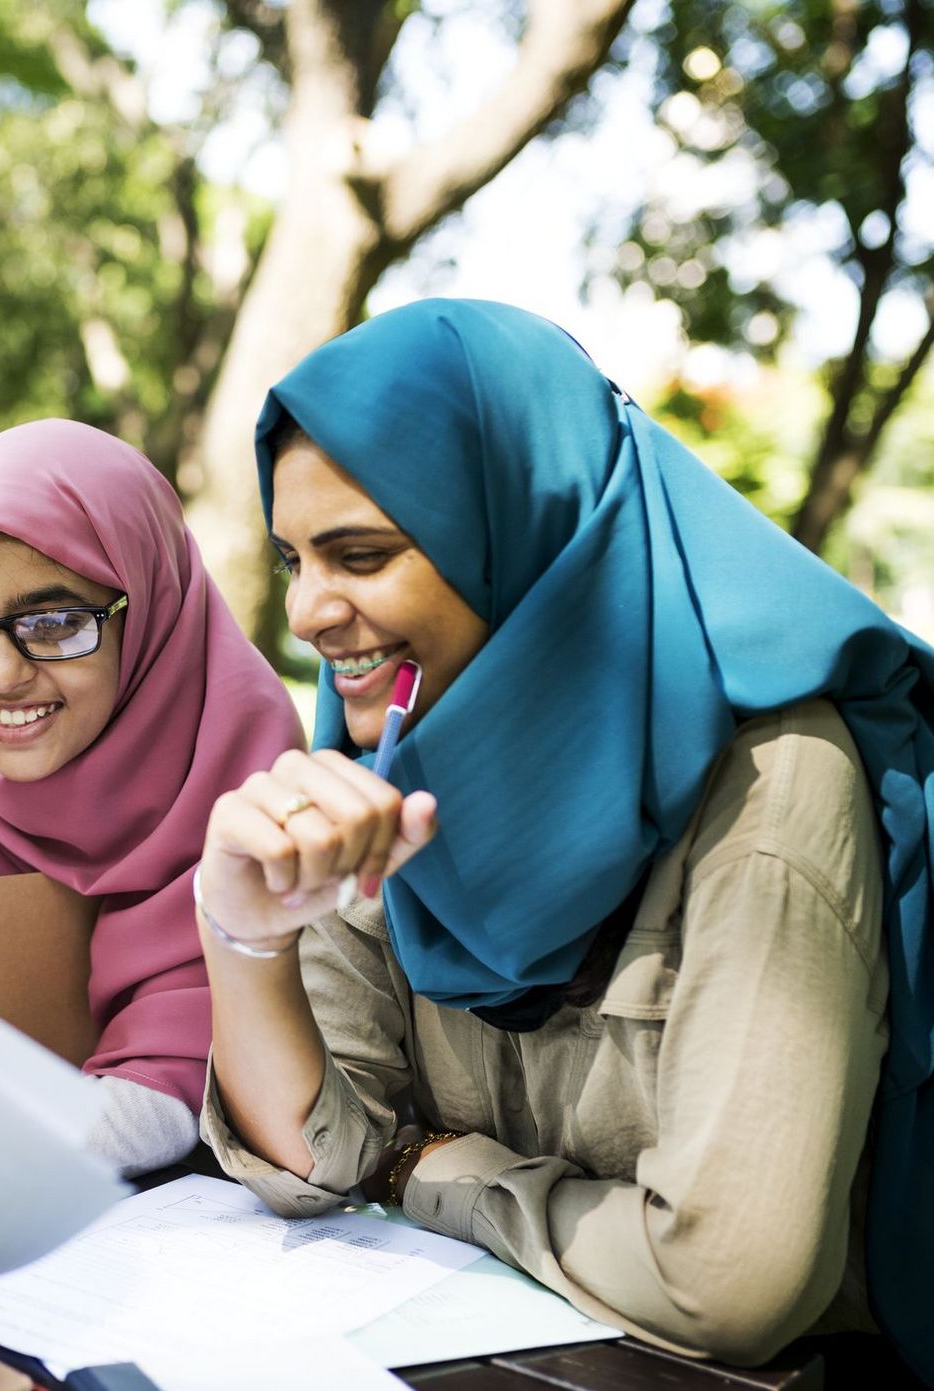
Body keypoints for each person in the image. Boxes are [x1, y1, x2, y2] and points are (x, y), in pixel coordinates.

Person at [195, 298, 933, 1381]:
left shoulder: (771, 783)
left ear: (524, 532)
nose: (306, 609)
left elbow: (726, 1282)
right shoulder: (382, 765)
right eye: (294, 557)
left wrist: (433, 1174)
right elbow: (319, 1157)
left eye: (359, 554)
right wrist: (241, 937)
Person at [0, 421, 303, 1176]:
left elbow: (167, 1096)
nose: (2, 675)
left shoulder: (245, 769)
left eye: (56, 622)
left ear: (149, 607)